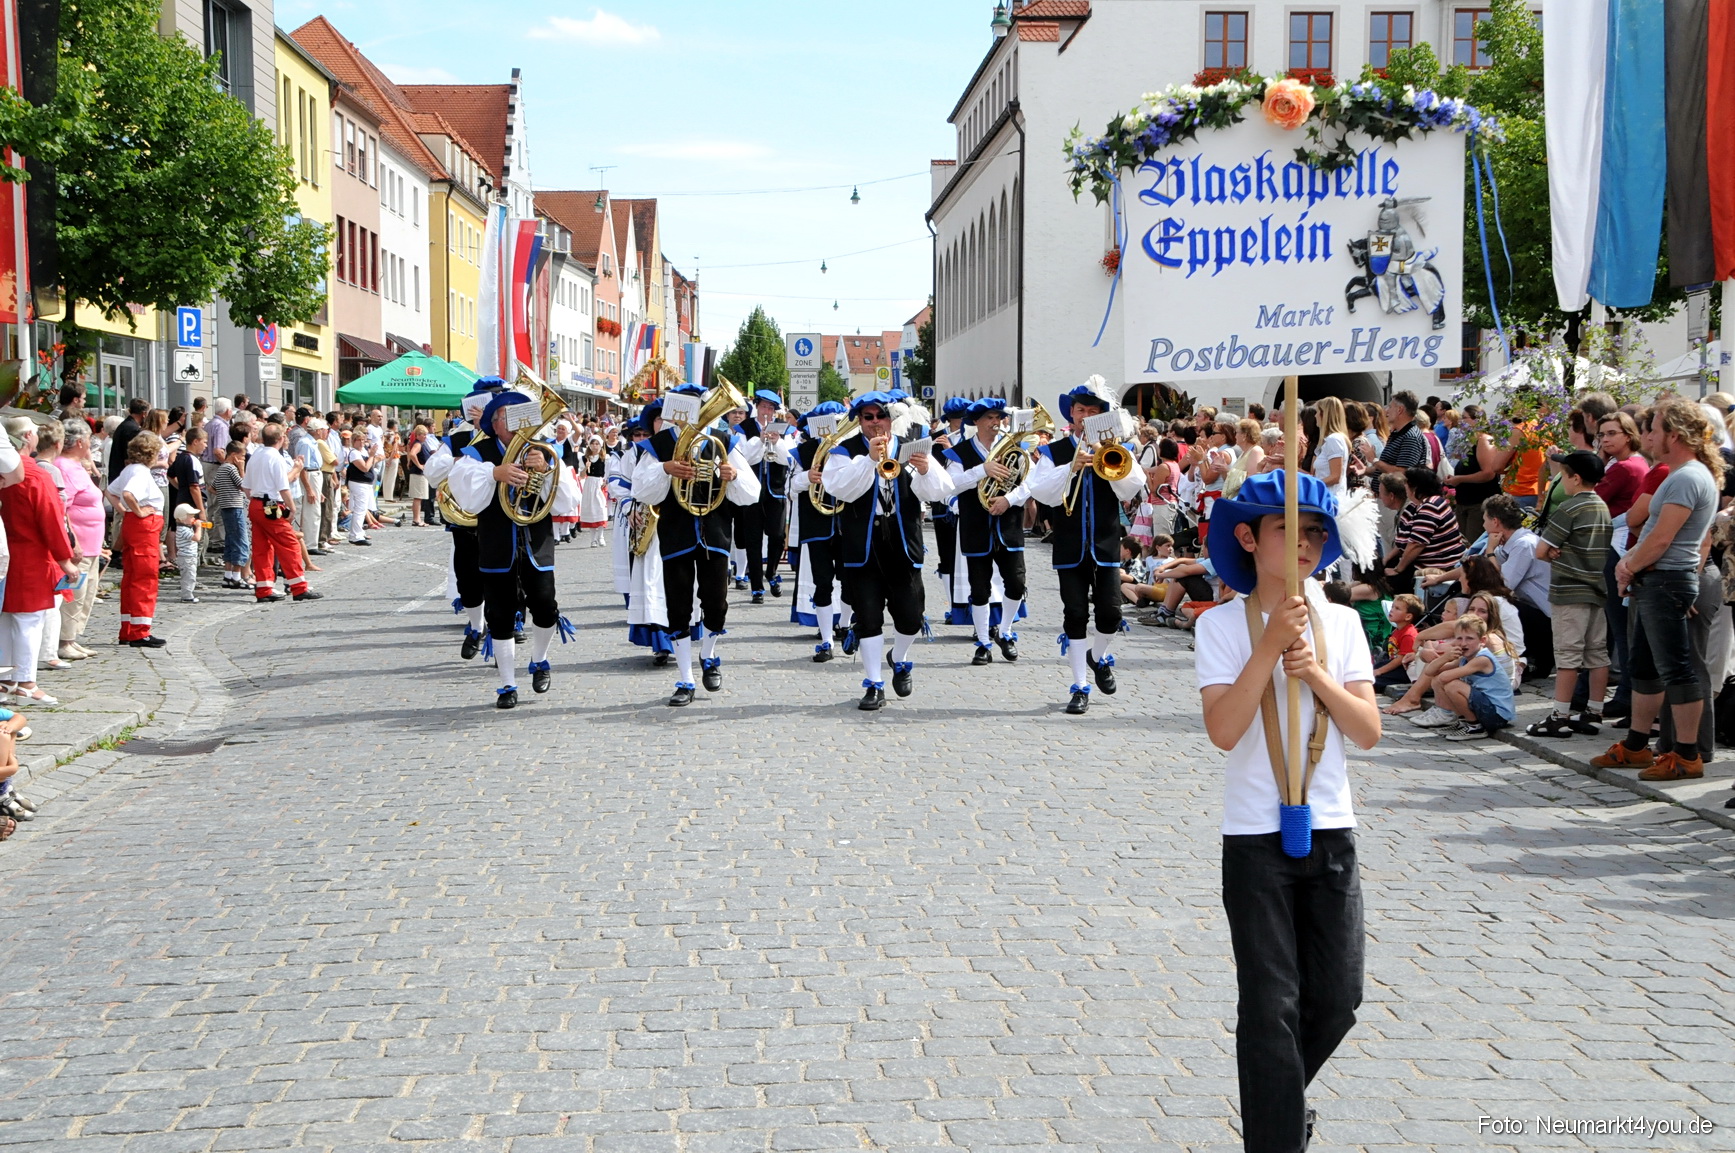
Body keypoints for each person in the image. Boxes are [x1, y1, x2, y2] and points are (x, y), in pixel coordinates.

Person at [1194, 470, 1380, 1153]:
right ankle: (1273, 1140)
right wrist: (1268, 646)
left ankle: (1281, 1101)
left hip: (1330, 829)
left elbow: (1365, 729)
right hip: (1253, 838)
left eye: (1312, 531)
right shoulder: (1218, 625)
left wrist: (1315, 672)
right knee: (1269, 1006)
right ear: (1247, 537)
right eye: (1285, 529)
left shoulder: (1342, 621)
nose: (1303, 543)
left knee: (1337, 999)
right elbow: (1224, 729)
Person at [1596, 399, 1724, 780]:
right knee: (1646, 668)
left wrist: (1627, 564)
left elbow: (1662, 538)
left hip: (1666, 579)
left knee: (1677, 670)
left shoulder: (1687, 476)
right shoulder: (1679, 473)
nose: (1646, 435)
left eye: (1653, 428)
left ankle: (1686, 755)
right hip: (1655, 579)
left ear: (1675, 434)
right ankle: (1637, 745)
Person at [446, 389, 581, 709]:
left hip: (537, 541)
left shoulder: (544, 450)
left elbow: (568, 500)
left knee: (546, 606)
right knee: (501, 614)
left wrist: (548, 470)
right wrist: (495, 473)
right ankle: (507, 683)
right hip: (496, 542)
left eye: (524, 414)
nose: (520, 422)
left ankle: (539, 659)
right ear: (496, 422)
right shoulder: (478, 452)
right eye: (510, 415)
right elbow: (466, 494)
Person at [820, 390, 954, 710]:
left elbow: (941, 491)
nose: (876, 423)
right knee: (868, 617)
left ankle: (899, 656)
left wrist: (925, 470)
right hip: (862, 543)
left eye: (881, 416)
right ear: (860, 421)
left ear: (891, 419)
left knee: (910, 617)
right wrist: (868, 460)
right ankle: (874, 683)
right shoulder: (845, 450)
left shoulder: (912, 448)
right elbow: (840, 489)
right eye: (868, 417)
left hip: (902, 540)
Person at [632, 383, 762, 706]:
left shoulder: (723, 441)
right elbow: (640, 489)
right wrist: (666, 468)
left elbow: (752, 492)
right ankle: (685, 678)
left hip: (715, 534)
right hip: (676, 534)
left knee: (716, 603)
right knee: (678, 606)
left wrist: (733, 476)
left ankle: (709, 653)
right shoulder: (659, 444)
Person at [1025, 377, 1147, 714]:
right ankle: (1079, 686)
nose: (1086, 415)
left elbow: (1132, 486)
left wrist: (1113, 454)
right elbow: (1039, 491)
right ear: (1073, 415)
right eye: (1081, 410)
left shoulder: (1117, 449)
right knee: (1075, 614)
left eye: (1093, 411)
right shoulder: (1055, 451)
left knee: (1110, 613)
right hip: (1070, 544)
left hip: (1107, 542)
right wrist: (1071, 467)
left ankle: (1098, 654)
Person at [1527, 451, 1612, 737]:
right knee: (1597, 653)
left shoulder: (1570, 509)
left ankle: (1559, 715)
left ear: (1575, 478)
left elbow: (1540, 550)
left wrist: (1553, 552)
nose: (1560, 480)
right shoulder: (1602, 507)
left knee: (1567, 655)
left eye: (1563, 474)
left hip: (1568, 589)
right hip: (1596, 587)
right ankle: (1594, 711)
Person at [942, 397, 1029, 665]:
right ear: (976, 422)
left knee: (1016, 584)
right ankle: (982, 641)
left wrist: (1009, 500)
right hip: (975, 527)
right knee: (979, 589)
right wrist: (982, 469)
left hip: (1008, 526)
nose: (995, 423)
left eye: (998, 418)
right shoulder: (960, 452)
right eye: (989, 418)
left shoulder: (1015, 448)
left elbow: (1030, 483)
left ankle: (1005, 631)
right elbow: (950, 486)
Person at [788, 402, 850, 661]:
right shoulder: (802, 452)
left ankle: (845, 627)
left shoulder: (851, 450)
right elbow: (789, 488)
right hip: (817, 525)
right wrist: (807, 478)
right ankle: (826, 641)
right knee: (822, 583)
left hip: (848, 524)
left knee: (851, 582)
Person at [611, 412, 673, 666]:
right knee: (650, 579)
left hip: (674, 519)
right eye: (656, 421)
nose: (661, 425)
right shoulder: (636, 452)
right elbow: (618, 482)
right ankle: (660, 640)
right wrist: (629, 507)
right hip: (646, 519)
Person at [104, 430, 168, 649]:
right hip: (145, 527)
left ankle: (128, 628)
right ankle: (140, 631)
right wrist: (138, 511)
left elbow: (110, 492)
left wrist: (124, 511)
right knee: (145, 578)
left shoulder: (129, 469)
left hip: (134, 526)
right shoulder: (140, 473)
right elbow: (130, 494)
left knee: (131, 577)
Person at [245, 423, 319, 605]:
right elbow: (283, 486)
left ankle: (264, 588)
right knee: (290, 543)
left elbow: (246, 487)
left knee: (262, 548)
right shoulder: (275, 457)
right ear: (280, 439)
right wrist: (291, 508)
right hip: (270, 503)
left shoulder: (256, 455)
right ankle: (298, 586)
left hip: (255, 502)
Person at [55, 422, 105, 660]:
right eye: (88, 439)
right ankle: (64, 640)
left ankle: (72, 638)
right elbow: (63, 507)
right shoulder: (64, 467)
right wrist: (71, 541)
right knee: (75, 593)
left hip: (92, 543)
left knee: (86, 592)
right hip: (80, 544)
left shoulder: (76, 466)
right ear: (79, 442)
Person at [1431, 616, 1516, 740]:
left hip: (1497, 716)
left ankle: (1475, 727)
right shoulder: (1465, 658)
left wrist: (1449, 661)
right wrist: (1445, 658)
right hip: (1485, 709)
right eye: (1459, 638)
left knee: (1452, 685)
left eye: (1469, 638)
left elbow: (1444, 678)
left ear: (1482, 640)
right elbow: (1431, 672)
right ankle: (1463, 722)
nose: (1463, 643)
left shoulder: (1482, 659)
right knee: (1436, 681)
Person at [743, 390, 792, 604]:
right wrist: (759, 440)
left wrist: (777, 441)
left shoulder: (785, 430)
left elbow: (788, 459)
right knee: (752, 540)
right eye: (764, 407)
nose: (767, 412)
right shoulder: (743, 429)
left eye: (771, 408)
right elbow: (745, 458)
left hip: (776, 491)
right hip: (752, 492)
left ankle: (771, 573)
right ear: (757, 407)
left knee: (778, 536)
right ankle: (756, 587)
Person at [208, 440, 251, 590]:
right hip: (234, 507)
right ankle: (237, 577)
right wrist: (241, 468)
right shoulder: (231, 469)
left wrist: (223, 494)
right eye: (242, 456)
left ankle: (228, 576)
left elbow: (212, 488)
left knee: (230, 541)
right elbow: (244, 486)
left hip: (226, 507)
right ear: (234, 455)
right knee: (241, 541)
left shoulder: (221, 468)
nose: (243, 459)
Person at [342, 428, 380, 545]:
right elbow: (364, 467)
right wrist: (372, 456)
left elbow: (370, 464)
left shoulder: (363, 451)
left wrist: (372, 456)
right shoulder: (354, 453)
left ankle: (359, 532)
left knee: (363, 509)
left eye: (364, 440)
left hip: (365, 484)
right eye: (360, 440)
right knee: (359, 509)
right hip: (358, 483)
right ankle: (356, 535)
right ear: (354, 441)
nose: (363, 442)